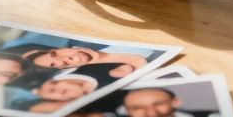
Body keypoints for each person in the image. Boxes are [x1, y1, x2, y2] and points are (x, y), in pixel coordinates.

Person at [110, 87, 223, 117]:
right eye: (138, 107)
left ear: (175, 102)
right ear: (126, 110)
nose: (150, 111)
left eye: (158, 104)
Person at [8, 44, 148, 79]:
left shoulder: (92, 39)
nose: (64, 59)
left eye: (54, 54)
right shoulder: (109, 73)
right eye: (54, 64)